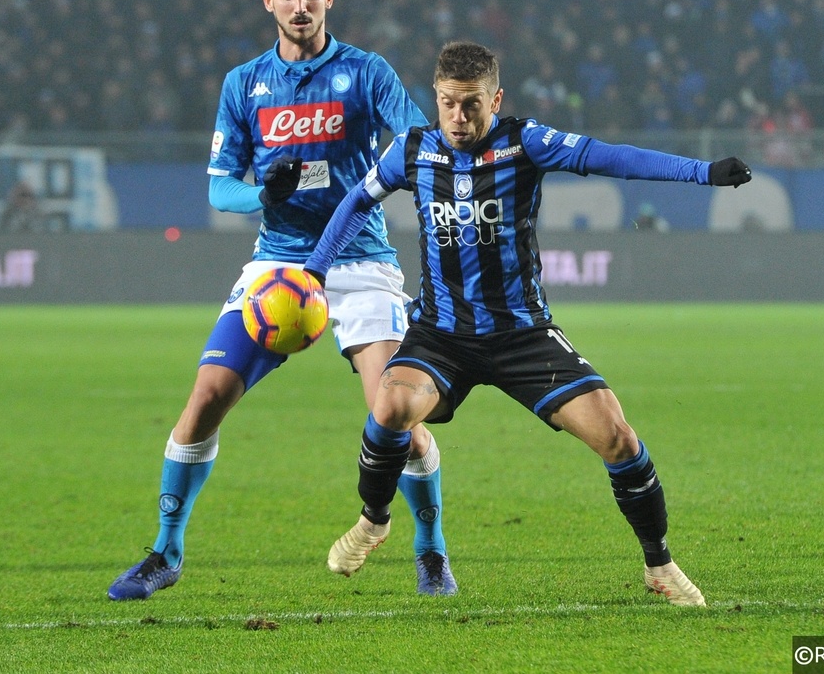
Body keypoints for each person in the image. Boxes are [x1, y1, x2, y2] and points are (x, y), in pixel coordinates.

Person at [303, 41, 752, 606]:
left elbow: (611, 157)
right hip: (441, 336)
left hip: (522, 335)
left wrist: (703, 173)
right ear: (434, 100)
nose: (459, 118)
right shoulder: (411, 150)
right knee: (389, 408)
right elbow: (354, 202)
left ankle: (659, 564)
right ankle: (374, 520)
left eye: (471, 105)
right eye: (447, 104)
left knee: (617, 436)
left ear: (496, 98)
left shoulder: (525, 142)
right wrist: (315, 271)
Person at [107, 0, 456, 601]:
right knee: (206, 397)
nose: (301, 5)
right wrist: (265, 193)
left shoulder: (366, 71)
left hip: (359, 261)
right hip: (277, 266)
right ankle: (166, 549)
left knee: (397, 418)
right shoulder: (244, 84)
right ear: (269, 1)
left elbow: (415, 142)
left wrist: (421, 158)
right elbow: (218, 189)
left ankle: (430, 547)